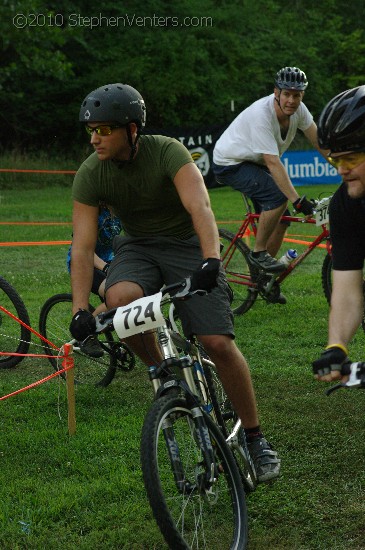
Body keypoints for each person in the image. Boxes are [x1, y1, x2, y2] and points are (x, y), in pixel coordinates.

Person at [68, 82, 281, 482]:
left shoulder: (168, 151)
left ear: (132, 130)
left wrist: (211, 260)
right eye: (90, 130)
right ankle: (163, 371)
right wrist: (80, 307)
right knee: (118, 299)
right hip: (138, 247)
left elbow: (199, 206)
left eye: (105, 129)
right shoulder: (90, 173)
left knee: (217, 341)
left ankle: (255, 438)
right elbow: (82, 247)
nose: (95, 138)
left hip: (186, 243)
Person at [212, 67, 326, 298]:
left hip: (255, 161)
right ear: (276, 92)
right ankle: (258, 253)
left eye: (297, 95)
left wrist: (345, 167)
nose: (292, 100)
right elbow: (273, 163)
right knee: (277, 196)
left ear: (302, 96)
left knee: (282, 221)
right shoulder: (261, 115)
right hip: (230, 162)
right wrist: (297, 200)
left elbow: (321, 144)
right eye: (287, 94)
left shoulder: (300, 111)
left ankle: (262, 280)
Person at [312, 85, 365, 382]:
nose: (342, 170)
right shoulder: (346, 204)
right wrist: (337, 345)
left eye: (351, 158)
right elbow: (347, 287)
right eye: (336, 160)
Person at [66, 203, 122, 357]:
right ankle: (87, 333)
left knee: (128, 296)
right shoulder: (92, 211)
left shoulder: (119, 208)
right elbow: (82, 248)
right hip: (87, 262)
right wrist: (105, 267)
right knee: (111, 293)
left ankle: (126, 339)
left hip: (109, 260)